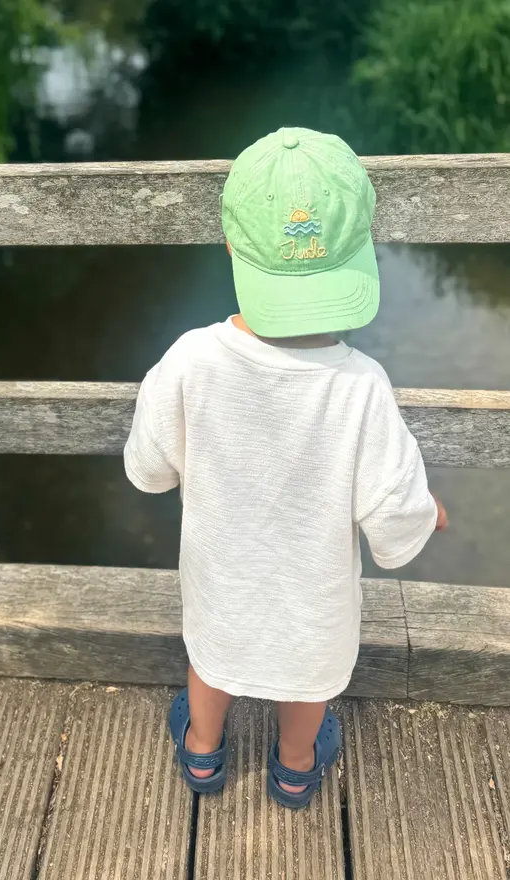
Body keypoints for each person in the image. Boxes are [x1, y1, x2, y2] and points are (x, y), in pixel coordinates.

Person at [124, 127, 448, 809]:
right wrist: (432, 511)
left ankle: (203, 756)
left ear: (233, 246)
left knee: (209, 661)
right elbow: (394, 523)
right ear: (358, 255)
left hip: (220, 586)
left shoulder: (190, 359)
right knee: (310, 681)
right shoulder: (362, 386)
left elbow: (148, 468)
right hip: (316, 604)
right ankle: (295, 769)